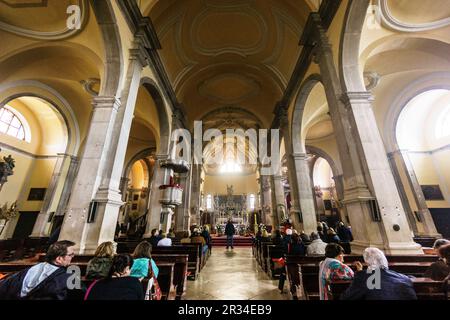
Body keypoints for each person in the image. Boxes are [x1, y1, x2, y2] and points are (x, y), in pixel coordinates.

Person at [0, 240, 75, 300]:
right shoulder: (67, 277)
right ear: (59, 259)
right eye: (71, 255)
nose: (73, 257)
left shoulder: (28, 270)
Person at [341, 247, 417, 300]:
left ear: (367, 262)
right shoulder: (404, 278)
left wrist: (360, 274)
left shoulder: (364, 278)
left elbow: (346, 298)